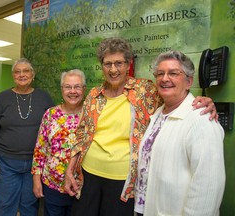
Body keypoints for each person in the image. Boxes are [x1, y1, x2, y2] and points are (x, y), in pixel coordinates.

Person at [64, 37, 218, 216]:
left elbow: (175, 98)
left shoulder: (145, 90)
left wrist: (204, 102)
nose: (113, 69)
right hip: (88, 174)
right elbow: (81, 133)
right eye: (108, 64)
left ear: (128, 64)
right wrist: (70, 170)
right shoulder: (93, 94)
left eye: (119, 63)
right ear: (102, 65)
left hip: (123, 180)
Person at [134, 51, 225, 216]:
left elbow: (209, 187)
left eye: (173, 73)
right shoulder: (159, 114)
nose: (165, 78)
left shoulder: (201, 119)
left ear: (189, 81)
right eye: (160, 74)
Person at [0, 58, 54, 216]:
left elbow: (53, 128)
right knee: (6, 204)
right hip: (7, 163)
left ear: (33, 74)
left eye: (26, 71)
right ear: (13, 76)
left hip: (35, 165)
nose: (22, 74)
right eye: (17, 71)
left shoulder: (44, 97)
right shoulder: (2, 98)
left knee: (29, 205)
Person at [31, 69, 86, 216]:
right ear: (62, 89)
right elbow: (40, 149)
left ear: (84, 89)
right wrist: (36, 180)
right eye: (68, 87)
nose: (72, 91)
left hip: (81, 187)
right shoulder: (50, 115)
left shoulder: (90, 116)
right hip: (53, 185)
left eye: (77, 87)